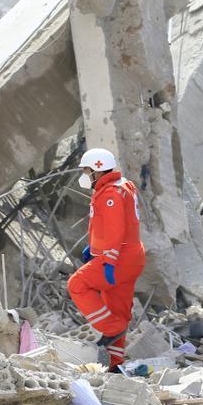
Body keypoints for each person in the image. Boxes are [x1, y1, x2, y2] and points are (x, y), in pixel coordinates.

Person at [67, 148, 147, 371]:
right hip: (131, 255)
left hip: (119, 257)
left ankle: (111, 329)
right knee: (118, 307)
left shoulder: (110, 194)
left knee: (77, 285)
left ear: (98, 169)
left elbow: (114, 229)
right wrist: (92, 248)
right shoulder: (121, 186)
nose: (84, 176)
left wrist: (108, 260)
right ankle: (115, 363)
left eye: (86, 171)